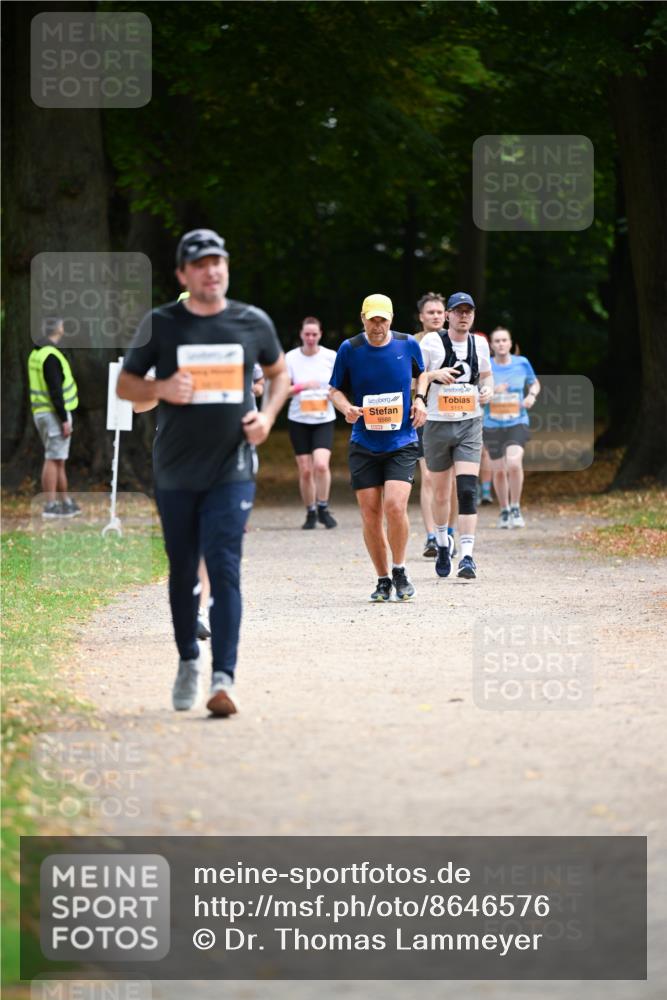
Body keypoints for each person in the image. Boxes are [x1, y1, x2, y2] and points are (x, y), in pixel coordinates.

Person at [117, 228, 290, 717]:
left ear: (226, 268)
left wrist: (268, 417)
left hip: (231, 467)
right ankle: (189, 660)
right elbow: (126, 387)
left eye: (218, 261)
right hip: (174, 469)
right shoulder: (162, 323)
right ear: (182, 274)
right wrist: (164, 388)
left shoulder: (251, 322)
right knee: (181, 571)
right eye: (200, 264)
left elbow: (279, 375)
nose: (211, 270)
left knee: (224, 565)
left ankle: (223, 678)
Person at [329, 293, 426, 602]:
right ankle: (383, 578)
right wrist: (346, 408)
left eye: (383, 319)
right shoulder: (350, 349)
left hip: (401, 440)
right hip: (364, 441)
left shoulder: (407, 344)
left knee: (395, 506)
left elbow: (421, 374)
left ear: (391, 319)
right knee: (370, 513)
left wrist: (420, 400)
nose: (378, 325)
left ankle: (400, 569)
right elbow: (334, 390)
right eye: (373, 319)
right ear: (363, 318)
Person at [415, 292, 493, 580]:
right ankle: (442, 542)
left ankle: (468, 556)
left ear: (473, 315)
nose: (463, 316)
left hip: (469, 423)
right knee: (440, 492)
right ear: (448, 315)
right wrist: (436, 375)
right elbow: (417, 378)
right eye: (458, 311)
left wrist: (489, 389)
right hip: (436, 424)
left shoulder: (480, 343)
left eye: (468, 311)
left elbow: (486, 375)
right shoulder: (431, 343)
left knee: (467, 490)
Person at [484, 326, 540, 528]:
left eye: (504, 340)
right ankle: (504, 509)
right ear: (491, 345)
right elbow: (477, 393)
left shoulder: (522, 363)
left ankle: (516, 506)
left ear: (510, 343)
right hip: (491, 424)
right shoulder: (486, 366)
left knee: (514, 463)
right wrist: (491, 390)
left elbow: (535, 383)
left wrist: (531, 395)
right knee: (498, 471)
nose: (500, 344)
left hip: (517, 421)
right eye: (496, 341)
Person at [285, 316, 338, 530]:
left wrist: (329, 392)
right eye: (306, 334)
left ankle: (323, 506)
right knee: (305, 470)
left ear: (320, 335)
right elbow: (282, 391)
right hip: (298, 418)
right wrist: (302, 387)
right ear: (301, 335)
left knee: (321, 465)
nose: (310, 338)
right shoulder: (290, 358)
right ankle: (310, 511)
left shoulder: (330, 356)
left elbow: (340, 385)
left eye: (314, 334)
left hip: (324, 418)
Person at [28, 317, 81, 519]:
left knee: (58, 458)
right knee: (53, 458)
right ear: (59, 329)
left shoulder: (37, 353)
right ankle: (51, 504)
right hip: (54, 413)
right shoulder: (51, 355)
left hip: (41, 411)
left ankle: (64, 502)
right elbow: (55, 390)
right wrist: (64, 419)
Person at [414, 293, 445, 558]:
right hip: (424, 415)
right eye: (430, 312)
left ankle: (449, 532)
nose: (435, 315)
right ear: (421, 316)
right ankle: (431, 537)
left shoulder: (457, 339)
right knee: (428, 477)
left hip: (454, 416)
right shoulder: (411, 343)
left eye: (439, 311)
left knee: (450, 481)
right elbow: (407, 380)